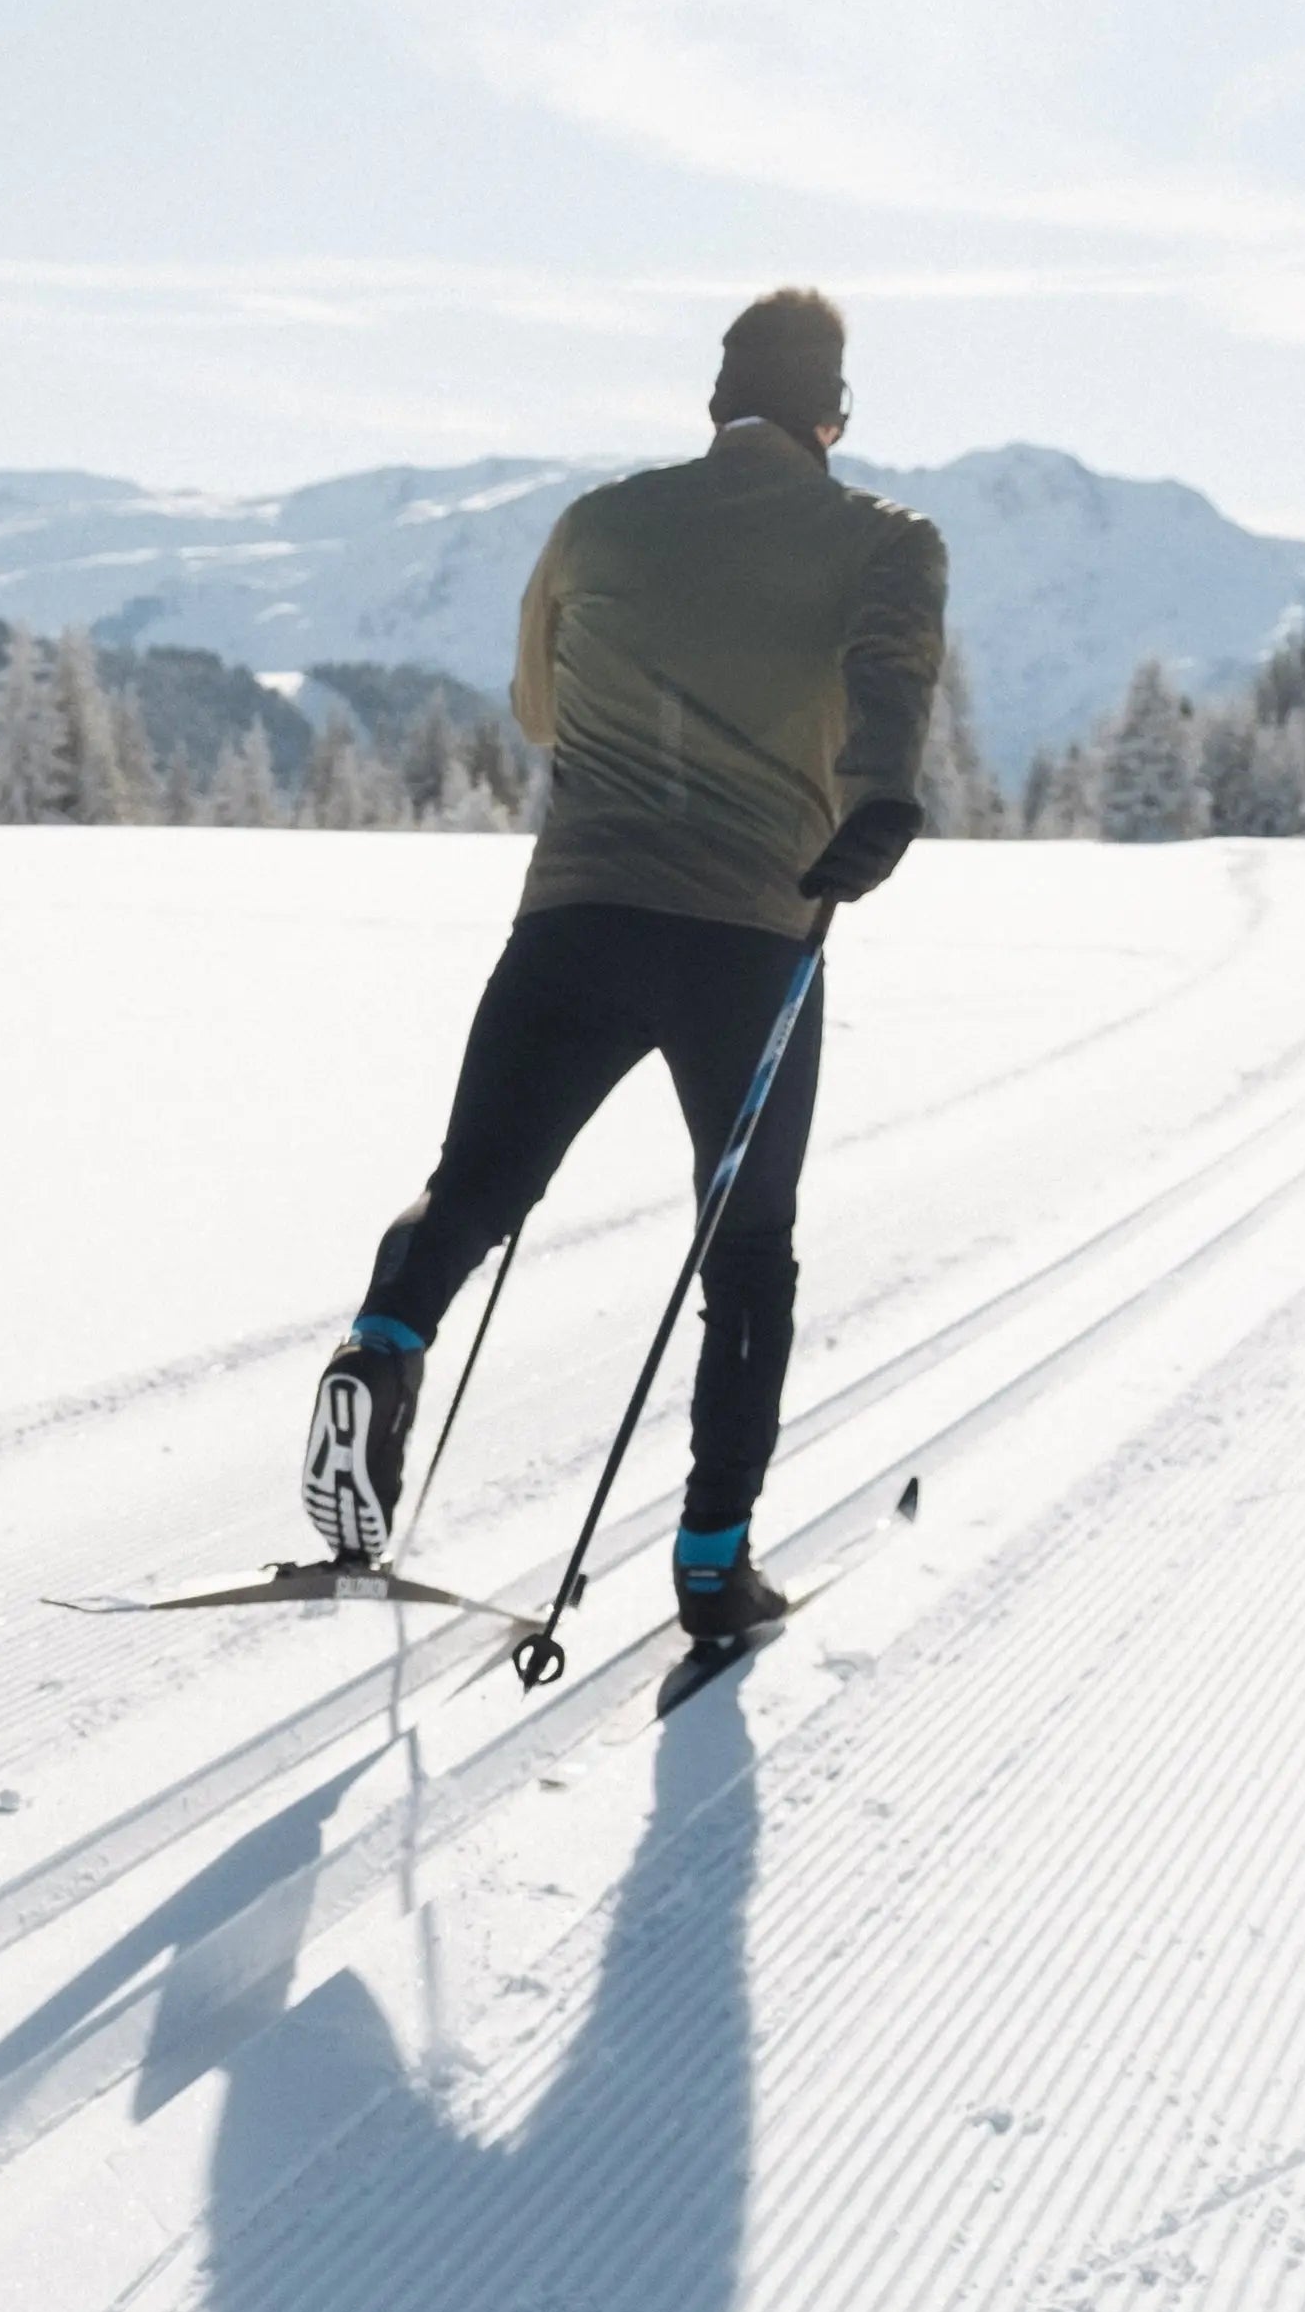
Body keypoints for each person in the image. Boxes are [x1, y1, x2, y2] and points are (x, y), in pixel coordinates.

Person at [297, 289, 940, 1630]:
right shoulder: (887, 540)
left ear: (717, 403)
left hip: (575, 913)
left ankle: (383, 1348)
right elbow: (890, 674)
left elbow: (540, 705)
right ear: (832, 415)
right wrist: (873, 793)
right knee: (748, 1247)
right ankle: (713, 1561)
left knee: (472, 1186)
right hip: (757, 933)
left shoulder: (596, 521)